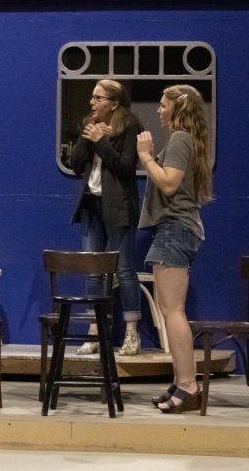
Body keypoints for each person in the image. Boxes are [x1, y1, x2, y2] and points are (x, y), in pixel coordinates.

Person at [137, 85, 213, 413]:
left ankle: (189, 385)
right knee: (170, 311)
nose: (158, 110)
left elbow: (168, 182)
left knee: (174, 311)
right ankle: (181, 380)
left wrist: (145, 156)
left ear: (177, 108)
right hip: (174, 229)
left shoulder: (181, 138)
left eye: (163, 105)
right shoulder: (183, 139)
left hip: (175, 229)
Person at [69, 79, 145, 356]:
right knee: (93, 269)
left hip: (119, 208)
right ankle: (94, 330)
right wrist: (87, 138)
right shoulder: (90, 126)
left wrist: (101, 142)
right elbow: (75, 165)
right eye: (92, 97)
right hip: (91, 205)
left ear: (114, 103)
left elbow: (125, 168)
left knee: (124, 269)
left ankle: (131, 334)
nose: (92, 102)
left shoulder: (131, 126)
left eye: (98, 98)